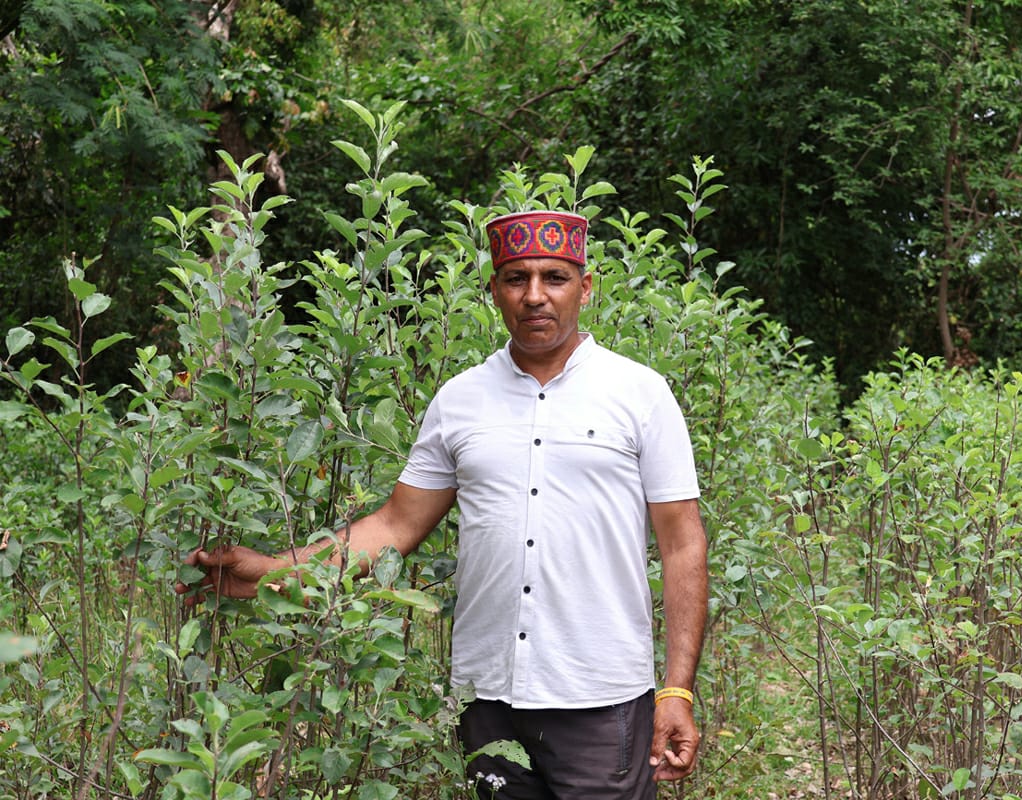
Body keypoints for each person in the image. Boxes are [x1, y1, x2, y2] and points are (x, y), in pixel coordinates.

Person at [176, 209, 709, 799]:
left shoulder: (638, 393)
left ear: (585, 287)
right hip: (486, 700)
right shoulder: (462, 399)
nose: (535, 295)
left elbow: (682, 543)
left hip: (600, 698)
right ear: (493, 290)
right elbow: (394, 526)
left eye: (554, 278)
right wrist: (274, 571)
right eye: (516, 278)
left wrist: (677, 690)